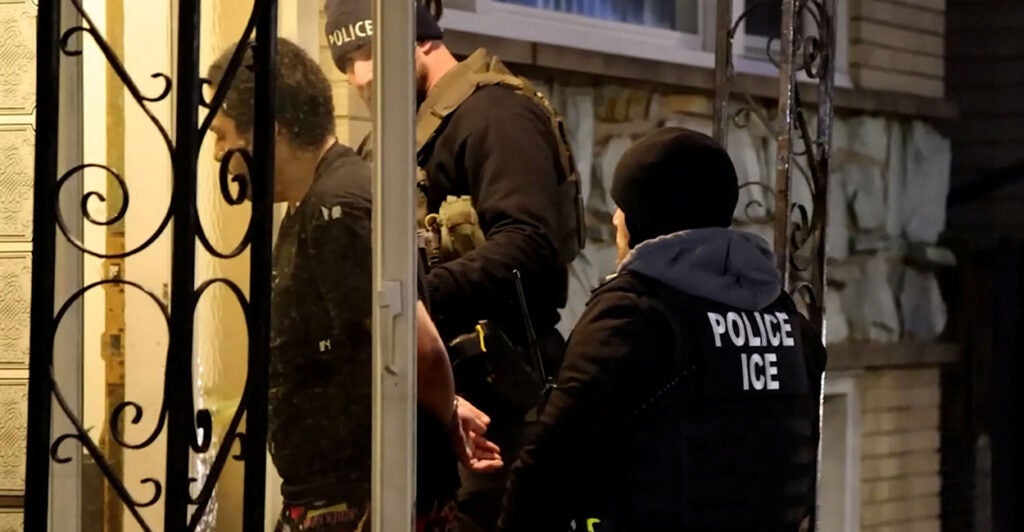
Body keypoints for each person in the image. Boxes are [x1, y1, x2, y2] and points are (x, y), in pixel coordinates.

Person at [206, 37, 501, 532]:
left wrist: (446, 409)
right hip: (343, 496)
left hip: (359, 504)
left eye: (222, 134)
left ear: (269, 131)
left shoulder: (335, 207)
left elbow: (412, 340)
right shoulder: (320, 200)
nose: (218, 152)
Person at [323, 2, 585, 530]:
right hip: (427, 408)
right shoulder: (398, 134)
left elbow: (528, 246)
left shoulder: (496, 114)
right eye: (346, 61)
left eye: (370, 51)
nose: (360, 75)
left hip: (495, 407)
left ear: (421, 38)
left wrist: (411, 296)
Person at [498, 127, 828, 531]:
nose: (616, 218)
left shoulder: (633, 312)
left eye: (623, 206)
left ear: (643, 216)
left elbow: (549, 465)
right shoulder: (782, 312)